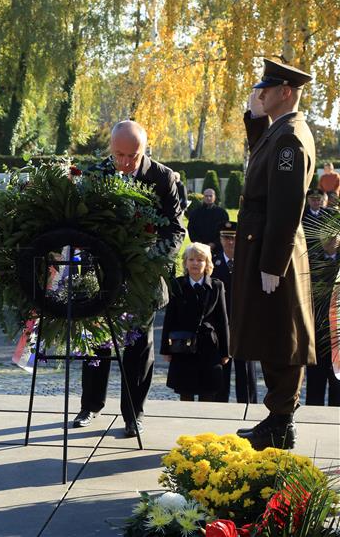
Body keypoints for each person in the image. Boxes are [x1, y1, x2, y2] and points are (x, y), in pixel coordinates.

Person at [72, 120, 185, 435]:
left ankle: (133, 414)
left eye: (131, 157)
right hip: (101, 274)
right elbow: (83, 223)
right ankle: (89, 406)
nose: (123, 163)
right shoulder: (96, 175)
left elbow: (176, 230)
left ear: (144, 151)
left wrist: (150, 260)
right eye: (118, 154)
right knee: (96, 342)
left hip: (142, 277)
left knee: (137, 348)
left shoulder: (163, 178)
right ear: (110, 148)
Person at [232, 59, 316, 450]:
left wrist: (272, 263)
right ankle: (276, 417)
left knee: (282, 334)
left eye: (266, 89)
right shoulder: (280, 131)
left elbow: (285, 204)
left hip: (272, 248)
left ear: (286, 92)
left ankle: (282, 421)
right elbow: (260, 160)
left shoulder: (290, 139)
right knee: (270, 330)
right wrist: (253, 119)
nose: (259, 93)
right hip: (264, 244)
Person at [162, 243, 230, 401]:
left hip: (209, 347)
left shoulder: (216, 286)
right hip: (183, 346)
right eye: (191, 259)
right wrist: (166, 349)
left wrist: (225, 351)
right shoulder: (177, 285)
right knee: (185, 391)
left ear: (207, 263)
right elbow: (169, 318)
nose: (195, 263)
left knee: (208, 392)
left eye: (200, 260)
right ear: (185, 262)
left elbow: (222, 319)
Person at [212, 222, 258, 404]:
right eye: (226, 238)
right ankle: (219, 406)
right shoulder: (212, 262)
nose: (230, 242)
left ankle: (248, 405)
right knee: (220, 368)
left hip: (243, 323)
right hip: (220, 323)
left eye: (233, 238)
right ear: (221, 239)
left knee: (245, 369)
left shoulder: (249, 261)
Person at [306, 234, 340, 406]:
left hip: (338, 332)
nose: (331, 240)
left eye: (334, 237)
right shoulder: (311, 261)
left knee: (338, 384)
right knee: (315, 383)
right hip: (317, 330)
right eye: (327, 237)